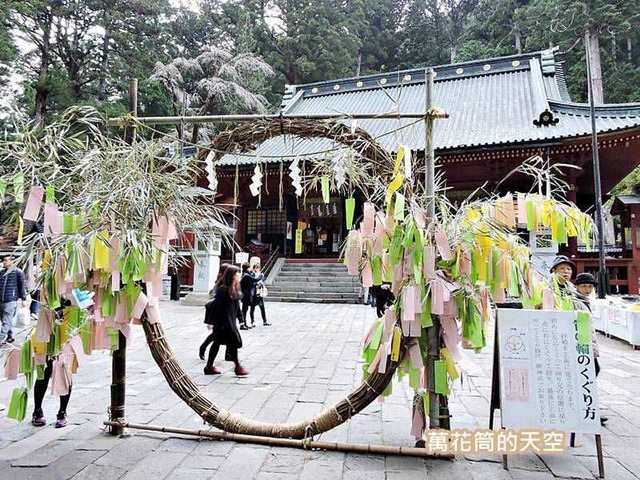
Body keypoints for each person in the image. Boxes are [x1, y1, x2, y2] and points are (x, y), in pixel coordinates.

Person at [574, 272, 607, 425]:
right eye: (584, 286)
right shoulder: (575, 301)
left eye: (590, 286)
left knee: (591, 373)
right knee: (588, 375)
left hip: (588, 345)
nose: (587, 289)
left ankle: (588, 407)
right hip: (583, 346)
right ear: (577, 286)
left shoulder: (584, 301)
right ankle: (588, 409)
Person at [203, 265, 248, 376]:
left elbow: (236, 306)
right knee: (224, 343)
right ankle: (236, 366)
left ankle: (210, 366)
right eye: (237, 274)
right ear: (232, 276)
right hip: (222, 322)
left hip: (230, 320)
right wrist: (211, 322)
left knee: (224, 343)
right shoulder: (223, 290)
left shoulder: (234, 288)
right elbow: (215, 306)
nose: (239, 276)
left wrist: (241, 318)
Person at [199, 263, 231, 360]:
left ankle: (228, 354)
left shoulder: (226, 281)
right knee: (216, 335)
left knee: (228, 333)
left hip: (226, 312)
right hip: (218, 312)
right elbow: (215, 300)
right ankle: (203, 348)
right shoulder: (220, 283)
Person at [0, 255, 28, 345]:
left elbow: (22, 286)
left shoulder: (18, 272)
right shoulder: (1, 272)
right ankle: (10, 336)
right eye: (3, 260)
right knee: (5, 319)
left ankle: (0, 338)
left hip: (10, 300)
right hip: (1, 299)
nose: (4, 262)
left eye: (5, 260)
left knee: (6, 320)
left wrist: (24, 299)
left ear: (12, 261)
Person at [248, 257, 270, 327]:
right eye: (256, 267)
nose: (257, 269)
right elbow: (251, 283)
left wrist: (260, 281)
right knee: (252, 308)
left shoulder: (261, 275)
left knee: (262, 307)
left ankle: (265, 320)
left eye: (258, 267)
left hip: (260, 293)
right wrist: (257, 282)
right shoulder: (252, 275)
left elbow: (263, 281)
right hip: (254, 293)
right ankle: (252, 321)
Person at [239, 262, 261, 330]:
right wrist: (261, 276)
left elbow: (251, 283)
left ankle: (244, 324)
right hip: (246, 294)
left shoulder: (244, 274)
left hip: (245, 293)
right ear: (248, 268)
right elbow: (255, 280)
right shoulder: (246, 275)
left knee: (244, 310)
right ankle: (243, 324)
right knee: (244, 310)